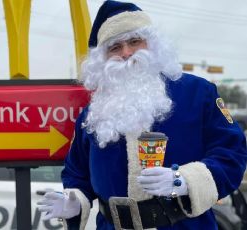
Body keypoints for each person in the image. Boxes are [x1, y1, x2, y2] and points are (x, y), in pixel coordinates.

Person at [37, 1, 247, 229]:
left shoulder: (197, 93)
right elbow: (77, 173)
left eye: (135, 41)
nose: (126, 53)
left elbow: (232, 153)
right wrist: (75, 202)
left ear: (153, 45)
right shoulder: (94, 113)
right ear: (103, 58)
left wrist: (185, 180)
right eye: (115, 47)